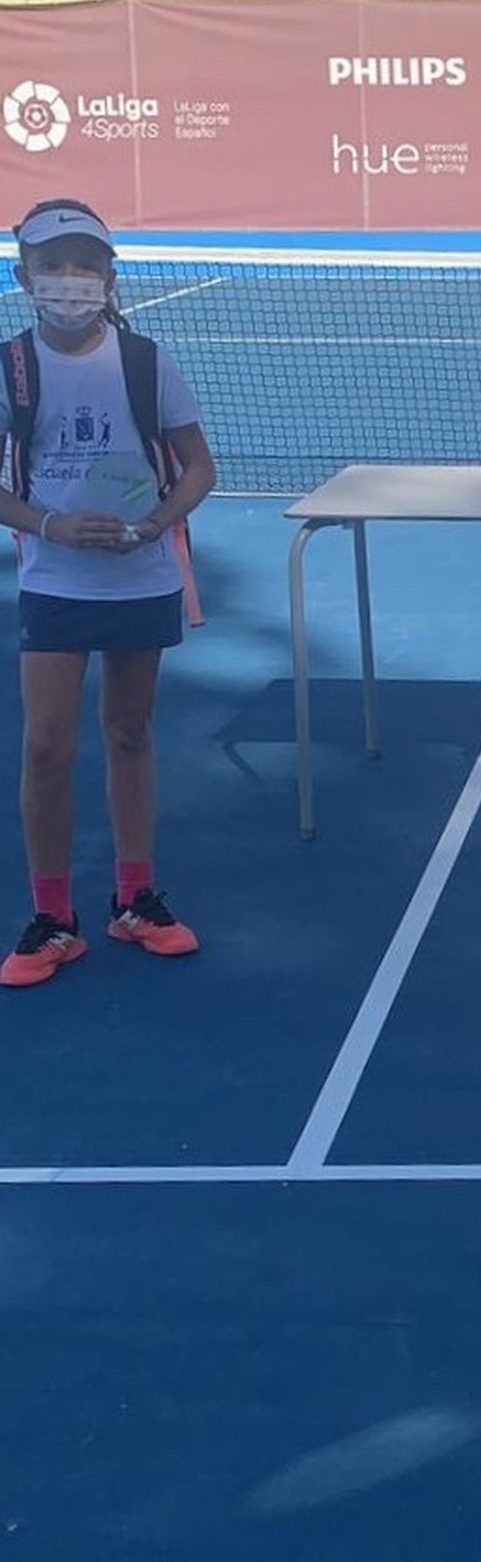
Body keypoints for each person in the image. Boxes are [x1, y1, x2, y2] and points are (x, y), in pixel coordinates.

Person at [0, 199, 216, 987]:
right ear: (26, 277)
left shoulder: (147, 363)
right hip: (55, 580)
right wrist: (52, 527)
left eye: (84, 266)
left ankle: (134, 900)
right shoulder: (9, 367)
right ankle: (53, 918)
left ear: (108, 277)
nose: (69, 282)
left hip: (142, 576)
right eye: (53, 266)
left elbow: (198, 468)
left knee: (129, 733)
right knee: (47, 745)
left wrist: (158, 521)